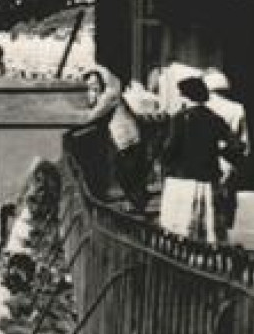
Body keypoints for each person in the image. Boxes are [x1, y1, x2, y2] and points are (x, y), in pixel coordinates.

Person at [159, 75, 243, 243]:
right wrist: (221, 154)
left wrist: (164, 162)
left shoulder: (180, 118)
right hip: (208, 180)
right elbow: (236, 146)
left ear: (185, 96)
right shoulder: (214, 118)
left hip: (181, 180)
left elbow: (170, 148)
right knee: (207, 227)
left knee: (180, 227)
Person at [84, 67, 151, 212]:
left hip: (128, 139)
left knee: (127, 174)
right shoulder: (105, 95)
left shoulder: (110, 96)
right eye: (89, 85)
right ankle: (138, 205)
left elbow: (91, 116)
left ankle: (139, 207)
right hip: (124, 139)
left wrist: (93, 98)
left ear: (103, 81)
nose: (93, 87)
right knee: (126, 174)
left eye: (95, 84)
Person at [204, 68, 250, 240]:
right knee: (225, 205)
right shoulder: (237, 109)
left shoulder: (200, 108)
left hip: (204, 161)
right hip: (227, 163)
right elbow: (244, 143)